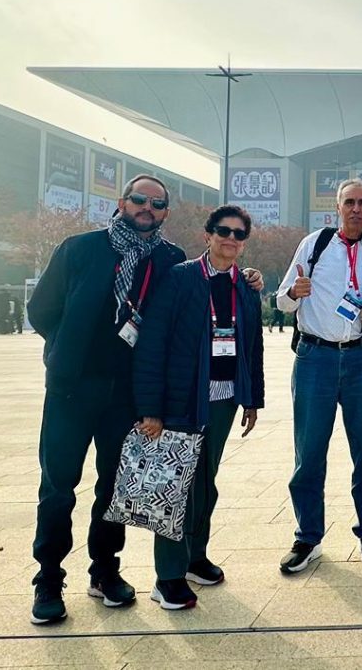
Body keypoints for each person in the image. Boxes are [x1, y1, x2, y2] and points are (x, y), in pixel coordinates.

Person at [26, 174, 263, 624]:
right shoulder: (80, 248)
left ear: (166, 213)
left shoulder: (169, 259)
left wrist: (245, 278)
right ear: (122, 202)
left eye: (156, 203)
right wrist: (66, 351)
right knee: (57, 486)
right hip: (73, 389)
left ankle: (104, 571)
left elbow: (203, 284)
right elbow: (41, 309)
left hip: (128, 395)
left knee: (113, 488)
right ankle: (49, 579)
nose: (146, 208)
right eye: (139, 200)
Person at [133, 205, 264, 610]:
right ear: (207, 235)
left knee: (205, 482)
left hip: (223, 400)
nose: (231, 239)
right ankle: (166, 577)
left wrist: (252, 399)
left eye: (239, 234)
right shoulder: (181, 278)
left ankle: (194, 557)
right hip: (182, 399)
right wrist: (150, 408)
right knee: (174, 486)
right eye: (223, 231)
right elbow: (153, 344)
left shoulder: (245, 284)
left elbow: (252, 345)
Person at [276, 178, 362, 573]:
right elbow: (280, 302)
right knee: (308, 452)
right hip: (316, 358)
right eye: (350, 202)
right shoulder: (314, 245)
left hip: (361, 359)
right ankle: (307, 536)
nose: (357, 209)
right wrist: (295, 292)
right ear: (338, 205)